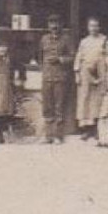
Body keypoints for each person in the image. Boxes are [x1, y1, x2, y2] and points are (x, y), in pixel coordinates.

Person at [38, 15, 73, 144]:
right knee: (47, 107)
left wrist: (60, 59)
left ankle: (58, 136)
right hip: (47, 77)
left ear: (60, 25)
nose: (54, 27)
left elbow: (72, 57)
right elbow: (40, 56)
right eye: (51, 24)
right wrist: (44, 69)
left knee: (59, 107)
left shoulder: (66, 39)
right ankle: (48, 136)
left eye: (56, 24)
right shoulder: (44, 39)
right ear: (48, 26)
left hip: (60, 78)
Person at [73, 17, 108, 142]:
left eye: (96, 26)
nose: (93, 28)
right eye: (91, 26)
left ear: (99, 27)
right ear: (88, 27)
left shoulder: (103, 39)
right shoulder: (84, 41)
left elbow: (107, 55)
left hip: (99, 72)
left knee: (97, 100)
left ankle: (97, 129)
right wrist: (77, 73)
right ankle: (86, 130)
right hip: (85, 73)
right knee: (85, 100)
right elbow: (79, 56)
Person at [0, 40, 23, 144]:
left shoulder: (11, 59)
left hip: (7, 88)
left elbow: (21, 68)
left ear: (7, 48)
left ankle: (2, 134)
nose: (2, 49)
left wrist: (20, 79)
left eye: (4, 47)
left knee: (5, 112)